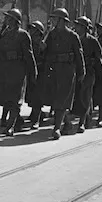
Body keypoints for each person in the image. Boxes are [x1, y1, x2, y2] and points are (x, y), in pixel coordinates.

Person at [0, 8, 37, 137]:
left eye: (8, 18)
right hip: (5, 70)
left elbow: (29, 55)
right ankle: (18, 121)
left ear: (14, 20)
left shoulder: (23, 35)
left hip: (18, 70)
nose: (5, 20)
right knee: (7, 99)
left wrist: (33, 72)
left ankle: (10, 127)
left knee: (15, 99)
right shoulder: (3, 35)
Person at [40, 7, 85, 139]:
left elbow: (79, 55)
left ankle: (56, 129)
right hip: (53, 70)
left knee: (61, 99)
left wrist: (82, 71)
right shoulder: (51, 35)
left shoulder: (72, 36)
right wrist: (42, 48)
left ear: (61, 20)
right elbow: (44, 53)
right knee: (56, 99)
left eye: (55, 18)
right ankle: (67, 122)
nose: (52, 20)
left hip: (67, 71)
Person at [71, 16, 102, 132]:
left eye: (79, 25)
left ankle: (81, 123)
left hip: (88, 73)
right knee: (76, 97)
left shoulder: (92, 41)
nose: (76, 27)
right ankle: (86, 117)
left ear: (84, 28)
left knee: (85, 96)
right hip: (75, 71)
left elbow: (99, 57)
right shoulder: (73, 38)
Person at [26, 20, 47, 129]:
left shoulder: (42, 43)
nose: (31, 31)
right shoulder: (29, 42)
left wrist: (44, 50)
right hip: (30, 71)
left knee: (37, 96)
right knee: (31, 95)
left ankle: (36, 119)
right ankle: (36, 114)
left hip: (40, 71)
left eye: (34, 29)